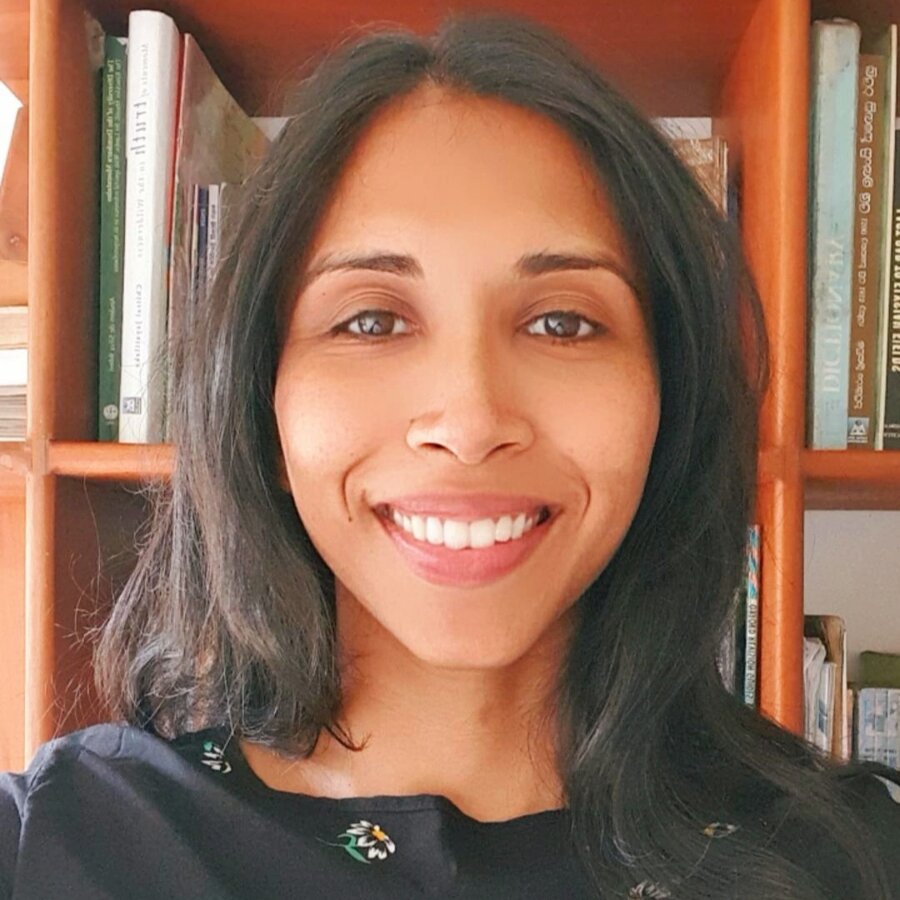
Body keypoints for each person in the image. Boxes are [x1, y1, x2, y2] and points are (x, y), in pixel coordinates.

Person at [2, 11, 899, 900]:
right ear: (260, 405)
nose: (470, 422)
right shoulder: (53, 844)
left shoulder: (849, 860)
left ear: (669, 401)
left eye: (562, 322)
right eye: (371, 321)